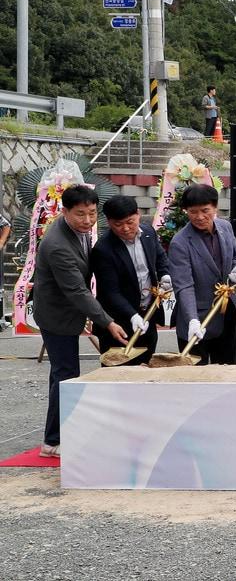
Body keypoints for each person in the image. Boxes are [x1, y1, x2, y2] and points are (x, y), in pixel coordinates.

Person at [32, 185, 127, 458]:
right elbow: (76, 290)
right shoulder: (57, 245)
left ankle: (62, 433)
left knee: (64, 374)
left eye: (92, 213)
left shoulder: (79, 231)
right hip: (56, 316)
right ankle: (52, 441)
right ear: (64, 212)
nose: (87, 220)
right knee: (65, 375)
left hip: (70, 311)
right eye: (80, 214)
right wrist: (107, 322)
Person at [168, 184, 236, 366]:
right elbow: (184, 285)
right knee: (196, 381)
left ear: (215, 207)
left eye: (205, 210)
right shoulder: (180, 243)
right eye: (193, 212)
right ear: (185, 210)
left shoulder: (225, 227)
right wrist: (192, 320)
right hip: (197, 319)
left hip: (227, 315)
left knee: (228, 374)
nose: (200, 217)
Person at [91, 195, 171, 364]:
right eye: (118, 225)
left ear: (138, 214)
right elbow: (110, 292)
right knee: (119, 374)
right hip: (118, 322)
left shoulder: (148, 232)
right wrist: (132, 315)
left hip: (148, 314)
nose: (126, 229)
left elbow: (160, 257)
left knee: (147, 368)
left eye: (130, 222)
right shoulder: (103, 249)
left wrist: (165, 275)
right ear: (109, 221)